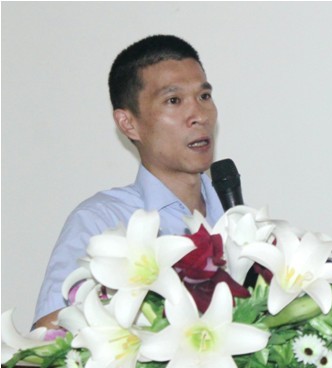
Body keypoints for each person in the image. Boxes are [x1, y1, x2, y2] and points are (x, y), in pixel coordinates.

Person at [33, 35, 224, 329]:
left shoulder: (234, 215)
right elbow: (46, 336)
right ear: (128, 123)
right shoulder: (100, 222)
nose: (199, 115)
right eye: (174, 101)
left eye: (204, 97)